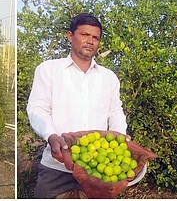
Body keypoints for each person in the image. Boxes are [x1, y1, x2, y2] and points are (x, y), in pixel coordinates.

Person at [26, 13, 130, 198]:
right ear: (70, 36)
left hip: (97, 169)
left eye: (95, 37)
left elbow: (115, 111)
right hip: (56, 167)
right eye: (84, 35)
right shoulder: (49, 70)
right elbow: (37, 108)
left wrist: (119, 135)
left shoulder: (108, 78)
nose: (90, 41)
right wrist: (51, 136)